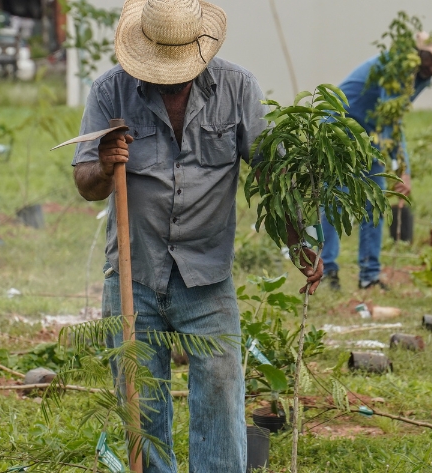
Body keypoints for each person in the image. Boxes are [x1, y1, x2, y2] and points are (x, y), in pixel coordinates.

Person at [70, 1, 322, 471]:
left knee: (221, 391)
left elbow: (270, 173)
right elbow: (85, 183)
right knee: (142, 403)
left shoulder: (237, 88)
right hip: (134, 272)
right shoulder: (110, 91)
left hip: (206, 276)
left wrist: (298, 242)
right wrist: (104, 163)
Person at [321, 28, 432, 291]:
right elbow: (388, 117)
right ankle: (327, 272)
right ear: (423, 53)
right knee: (337, 200)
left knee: (374, 203)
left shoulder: (421, 76)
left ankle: (369, 276)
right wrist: (401, 169)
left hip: (372, 132)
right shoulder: (396, 67)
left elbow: (393, 118)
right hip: (341, 127)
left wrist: (401, 167)